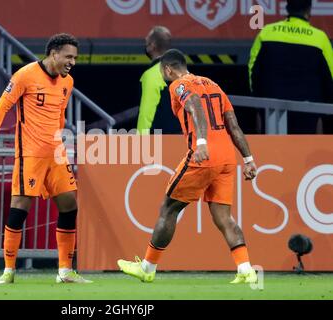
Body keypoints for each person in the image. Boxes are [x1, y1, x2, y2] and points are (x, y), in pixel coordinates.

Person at [118, 49, 258, 284]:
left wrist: (201, 142)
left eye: (164, 73)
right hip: (226, 158)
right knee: (224, 217)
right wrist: (249, 159)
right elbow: (233, 124)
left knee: (169, 209)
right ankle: (246, 269)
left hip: (203, 155)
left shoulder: (179, 84)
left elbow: (194, 105)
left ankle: (147, 267)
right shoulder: (213, 85)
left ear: (168, 69)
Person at [0, 33, 92, 284]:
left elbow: (60, 116)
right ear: (53, 53)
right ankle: (9, 271)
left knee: (69, 206)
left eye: (75, 58)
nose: (72, 62)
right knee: (20, 208)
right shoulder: (25, 75)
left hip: (56, 154)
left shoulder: (68, 82)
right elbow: (2, 107)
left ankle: (65, 271)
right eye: (68, 56)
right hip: (30, 154)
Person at [249, 0, 333, 133]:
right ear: (309, 10)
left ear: (287, 9)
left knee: (272, 151)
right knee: (304, 151)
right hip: (307, 113)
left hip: (272, 112)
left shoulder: (266, 32)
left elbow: (253, 71)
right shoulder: (320, 38)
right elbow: (330, 78)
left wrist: (258, 102)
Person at [137, 26, 181, 134]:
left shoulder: (152, 74)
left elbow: (146, 113)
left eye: (146, 42)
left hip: (160, 138)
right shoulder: (181, 72)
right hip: (181, 136)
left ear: (152, 46)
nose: (145, 45)